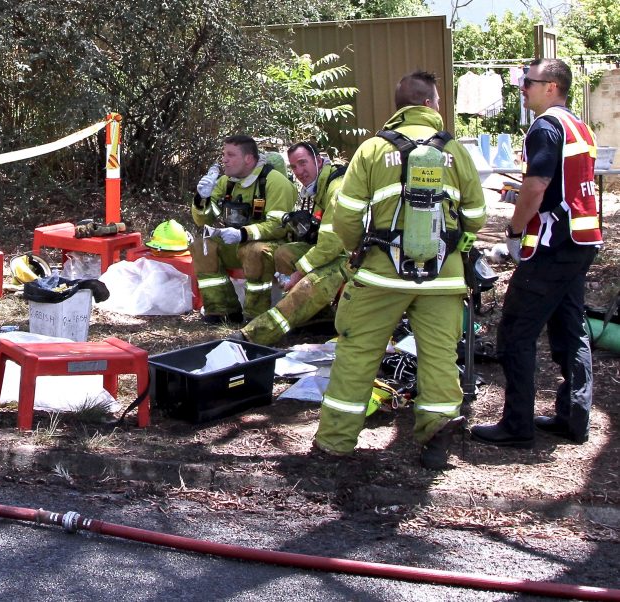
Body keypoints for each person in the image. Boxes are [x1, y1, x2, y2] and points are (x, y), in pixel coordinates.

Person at [313, 70, 486, 469]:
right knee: (440, 356)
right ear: (428, 104)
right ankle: (437, 437)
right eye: (439, 101)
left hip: (380, 275)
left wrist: (359, 248)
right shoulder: (454, 150)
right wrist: (456, 244)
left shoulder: (372, 150)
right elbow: (476, 215)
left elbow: (347, 214)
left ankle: (335, 444)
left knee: (357, 352)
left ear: (398, 107)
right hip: (443, 278)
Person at [471, 59, 602, 449]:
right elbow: (564, 185)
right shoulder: (578, 125)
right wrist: (521, 195)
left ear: (551, 87)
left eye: (528, 82)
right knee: (569, 329)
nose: (522, 89)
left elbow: (538, 186)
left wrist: (513, 230)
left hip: (553, 248)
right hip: (581, 241)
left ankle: (517, 425)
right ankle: (572, 418)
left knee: (514, 331)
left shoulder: (544, 127)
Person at [230, 142, 347, 345]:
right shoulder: (319, 186)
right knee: (285, 252)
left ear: (318, 161)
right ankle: (320, 317)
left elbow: (331, 243)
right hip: (335, 250)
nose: (299, 171)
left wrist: (299, 272)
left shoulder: (336, 187)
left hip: (354, 256)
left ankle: (252, 335)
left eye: (303, 163)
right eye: (293, 167)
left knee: (311, 284)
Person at [190, 135, 297, 324]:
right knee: (201, 246)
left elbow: (278, 226)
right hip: (236, 242)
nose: (224, 159)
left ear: (248, 158)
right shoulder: (226, 182)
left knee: (253, 250)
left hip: (271, 245)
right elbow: (203, 219)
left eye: (231, 155)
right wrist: (201, 198)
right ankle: (222, 310)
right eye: (224, 154)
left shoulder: (275, 182)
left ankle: (255, 314)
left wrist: (243, 234)